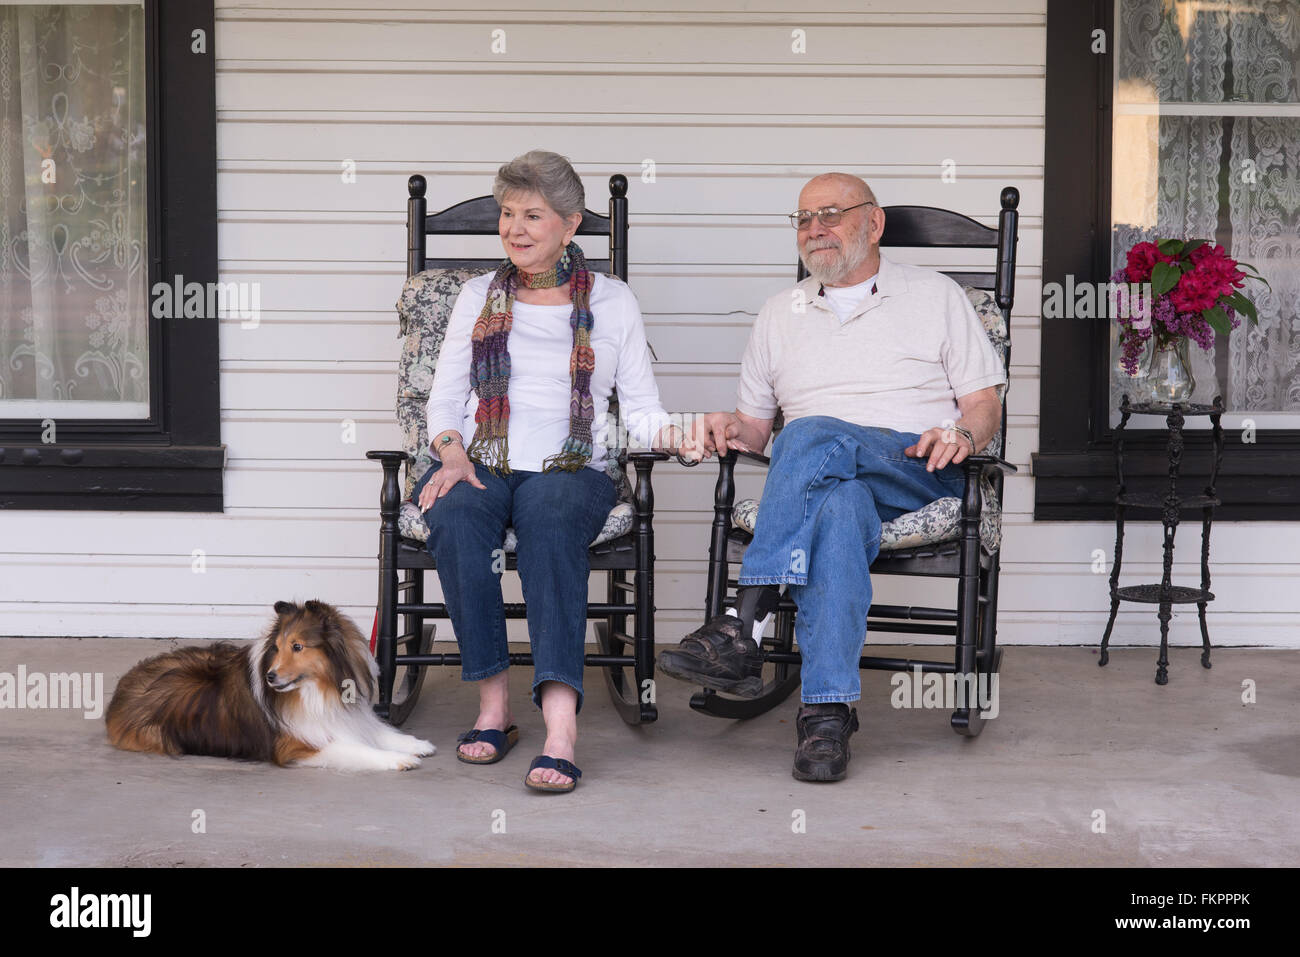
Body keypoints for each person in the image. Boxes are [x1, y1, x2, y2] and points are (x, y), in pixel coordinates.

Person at [659, 172, 1006, 783]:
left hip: (918, 468)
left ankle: (746, 622)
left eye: (830, 214)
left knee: (812, 432)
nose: (813, 229)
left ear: (873, 224)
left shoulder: (938, 296)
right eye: (802, 219)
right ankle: (826, 715)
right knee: (839, 508)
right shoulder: (777, 314)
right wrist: (721, 426)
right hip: (824, 479)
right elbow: (756, 432)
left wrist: (964, 435)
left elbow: (984, 404)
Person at [413, 150, 680, 792]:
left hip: (572, 464)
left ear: (571, 223)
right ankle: (494, 709)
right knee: (455, 517)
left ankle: (560, 728)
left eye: (533, 214)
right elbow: (445, 399)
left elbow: (641, 411)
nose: (515, 228)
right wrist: (451, 452)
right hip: (481, 458)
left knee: (551, 520)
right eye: (507, 213)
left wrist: (687, 436)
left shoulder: (613, 302)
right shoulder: (477, 295)